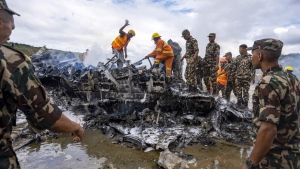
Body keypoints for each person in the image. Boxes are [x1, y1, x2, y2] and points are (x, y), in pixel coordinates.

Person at [0, 1, 84, 168]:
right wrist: (74, 126)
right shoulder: (10, 60)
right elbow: (44, 115)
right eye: (13, 26)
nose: (11, 33)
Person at [243, 38, 300, 169]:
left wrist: (250, 163)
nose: (252, 58)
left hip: (274, 160)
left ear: (260, 55)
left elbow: (268, 129)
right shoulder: (292, 79)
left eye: (253, 54)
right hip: (293, 156)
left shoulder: (267, 83)